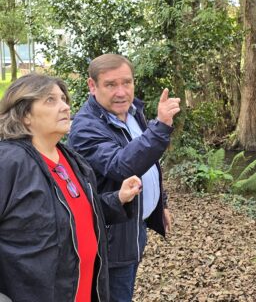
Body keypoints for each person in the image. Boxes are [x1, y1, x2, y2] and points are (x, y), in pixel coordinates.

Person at [0, 73, 143, 302]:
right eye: (50, 100)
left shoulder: (72, 160)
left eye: (63, 99)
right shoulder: (9, 162)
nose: (65, 107)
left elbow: (74, 215)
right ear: (25, 114)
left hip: (85, 290)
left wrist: (118, 199)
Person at [68, 53, 181, 302]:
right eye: (111, 84)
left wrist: (160, 205)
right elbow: (121, 166)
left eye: (126, 83)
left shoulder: (132, 112)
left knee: (126, 287)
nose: (121, 92)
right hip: (110, 238)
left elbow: (148, 161)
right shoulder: (85, 127)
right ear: (92, 86)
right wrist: (160, 126)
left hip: (134, 228)